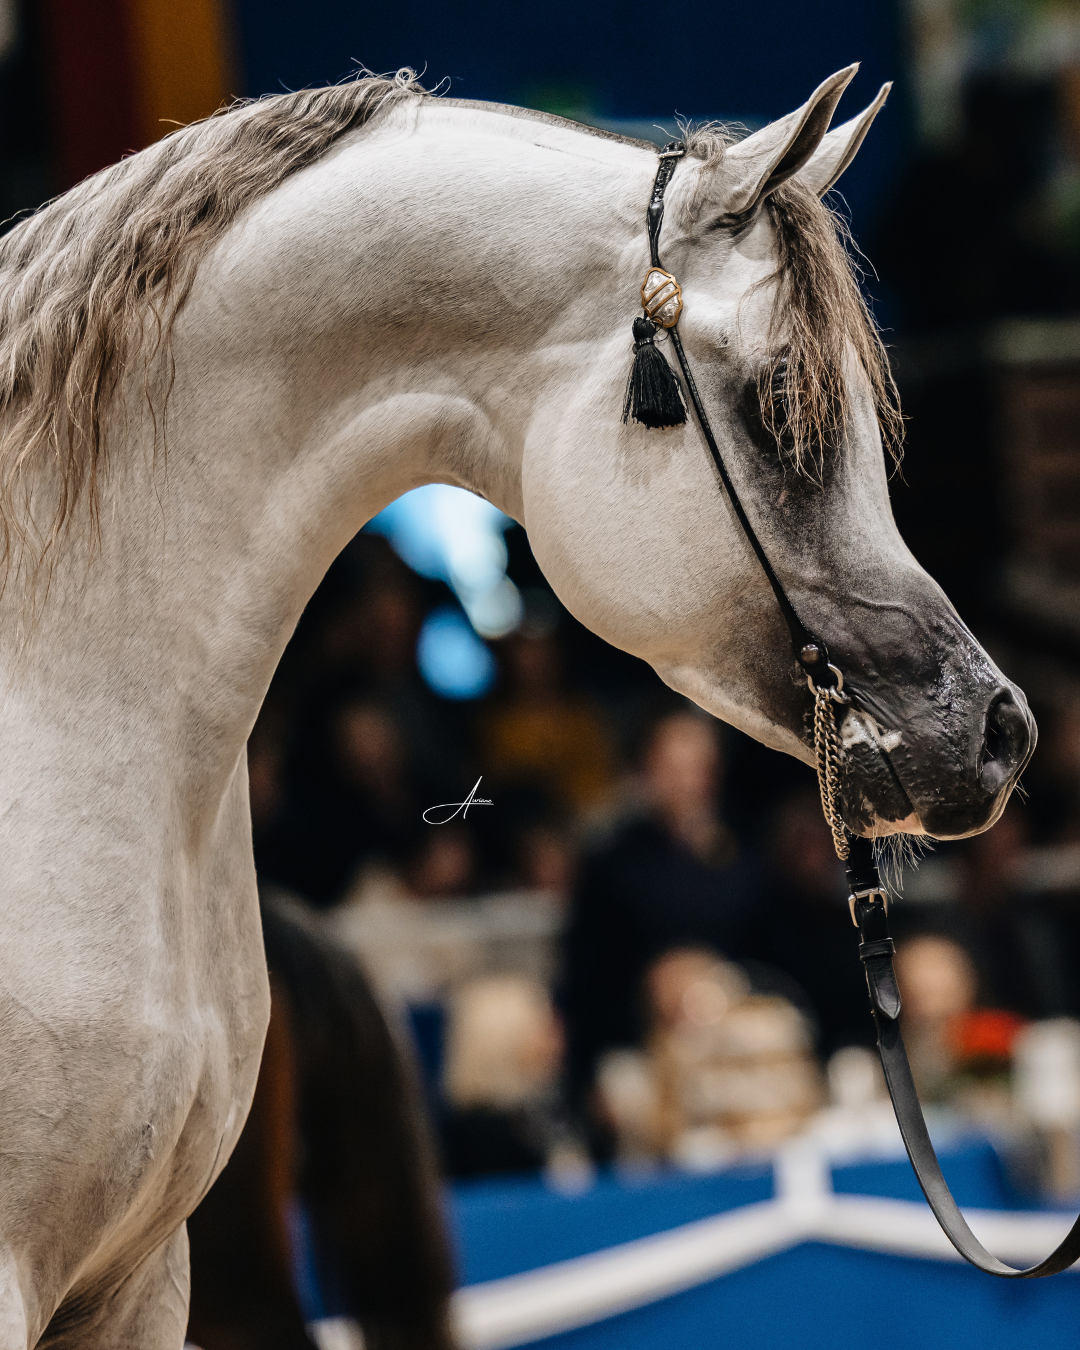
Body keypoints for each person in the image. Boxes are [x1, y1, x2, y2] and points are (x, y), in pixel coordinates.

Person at [559, 704, 759, 1132]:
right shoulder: (612, 864)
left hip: (736, 1051)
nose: (688, 781)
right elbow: (585, 980)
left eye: (699, 767)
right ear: (645, 770)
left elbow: (770, 955)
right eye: (673, 767)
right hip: (640, 1052)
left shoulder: (743, 859)